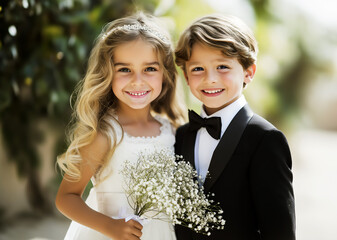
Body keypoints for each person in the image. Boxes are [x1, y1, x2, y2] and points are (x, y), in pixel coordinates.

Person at [56, 12, 185, 240]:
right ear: (108, 73)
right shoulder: (106, 133)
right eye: (124, 69)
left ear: (165, 74)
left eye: (150, 69)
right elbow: (66, 198)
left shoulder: (172, 130)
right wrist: (110, 227)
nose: (137, 80)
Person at [174, 14, 296, 240]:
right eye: (197, 69)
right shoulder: (181, 135)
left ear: (248, 72)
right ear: (186, 76)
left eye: (222, 67)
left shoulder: (265, 139)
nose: (210, 79)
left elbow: (279, 231)